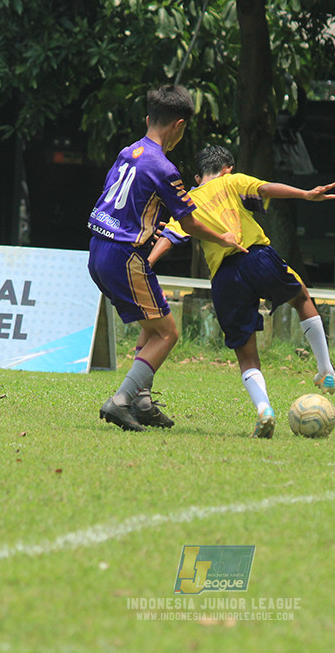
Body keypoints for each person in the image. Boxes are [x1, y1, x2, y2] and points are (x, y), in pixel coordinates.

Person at [147, 144, 335, 439]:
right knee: (301, 297)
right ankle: (326, 370)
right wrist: (305, 194)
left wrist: (147, 265)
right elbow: (266, 188)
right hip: (256, 257)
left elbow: (171, 235)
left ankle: (264, 410)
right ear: (227, 170)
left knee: (247, 356)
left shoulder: (187, 201)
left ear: (198, 177)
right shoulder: (232, 181)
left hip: (224, 279)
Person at [87, 86, 245, 433]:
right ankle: (121, 400)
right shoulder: (164, 167)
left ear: (148, 119)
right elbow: (188, 222)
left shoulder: (128, 152)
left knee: (153, 323)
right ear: (179, 126)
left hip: (98, 248)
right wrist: (224, 237)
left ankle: (141, 402)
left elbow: (117, 199)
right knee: (168, 333)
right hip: (123, 256)